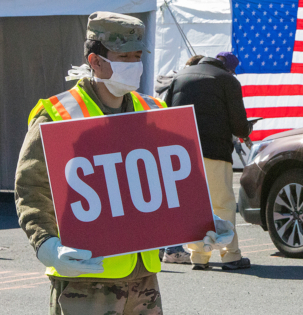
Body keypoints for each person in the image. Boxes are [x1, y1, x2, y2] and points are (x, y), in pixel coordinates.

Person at [15, 12, 168, 315]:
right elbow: (31, 188)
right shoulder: (58, 114)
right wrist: (46, 245)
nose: (135, 65)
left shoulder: (153, 110)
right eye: (125, 56)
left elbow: (170, 179)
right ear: (95, 60)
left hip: (143, 278)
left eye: (138, 56)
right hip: (85, 279)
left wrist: (202, 220)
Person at [165, 52, 252, 270]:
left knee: (195, 206)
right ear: (229, 68)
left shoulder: (180, 76)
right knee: (222, 204)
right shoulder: (227, 80)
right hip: (214, 149)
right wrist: (247, 128)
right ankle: (230, 255)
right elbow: (239, 125)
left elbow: (165, 112)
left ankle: (198, 257)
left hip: (183, 153)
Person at [154, 54, 205, 264]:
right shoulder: (192, 84)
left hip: (162, 145)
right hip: (178, 147)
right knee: (176, 202)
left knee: (166, 202)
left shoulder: (171, 82)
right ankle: (172, 249)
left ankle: (161, 248)